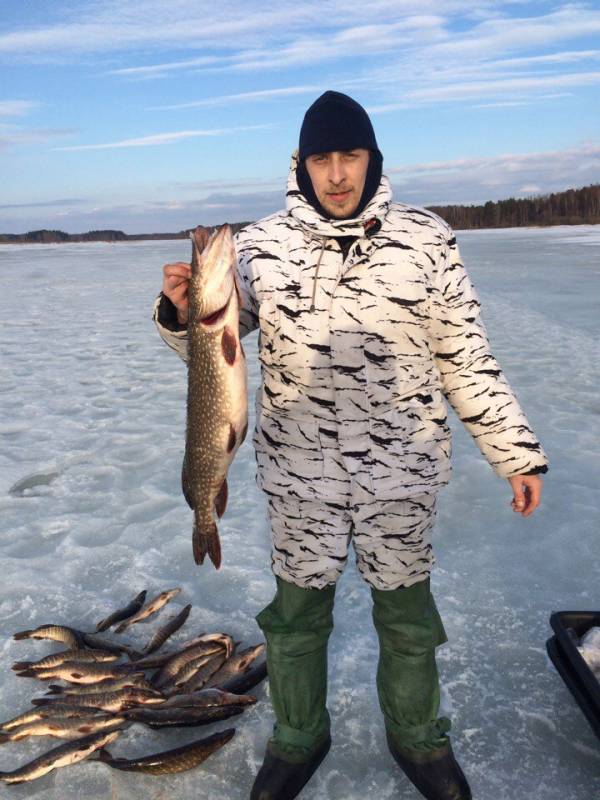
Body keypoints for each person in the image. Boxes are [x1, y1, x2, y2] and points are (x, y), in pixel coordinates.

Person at [153, 91, 548, 800]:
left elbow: (465, 355)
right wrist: (179, 314)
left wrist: (513, 450)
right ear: (301, 165)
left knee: (406, 618)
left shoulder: (429, 240)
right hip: (300, 476)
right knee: (296, 618)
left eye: (351, 156)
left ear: (373, 159)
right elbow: (213, 358)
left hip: (403, 475)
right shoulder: (259, 247)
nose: (337, 174)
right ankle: (301, 736)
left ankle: (418, 740)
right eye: (322, 158)